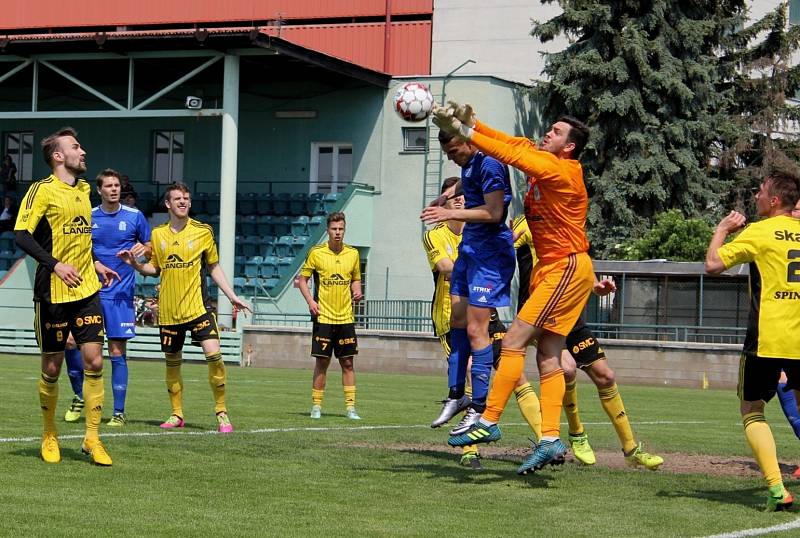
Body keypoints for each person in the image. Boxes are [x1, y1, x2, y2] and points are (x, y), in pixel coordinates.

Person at [437, 104, 595, 476]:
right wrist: (471, 123)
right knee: (548, 357)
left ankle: (489, 418)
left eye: (556, 132)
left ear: (569, 147)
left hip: (566, 267)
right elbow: (508, 142)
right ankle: (549, 439)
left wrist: (463, 130)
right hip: (556, 268)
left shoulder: (560, 168)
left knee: (512, 342)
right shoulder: (545, 157)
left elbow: (507, 154)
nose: (548, 133)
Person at [512, 214, 663, 470]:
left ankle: (631, 449)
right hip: (540, 313)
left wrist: (596, 286)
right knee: (567, 369)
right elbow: (503, 248)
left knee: (606, 376)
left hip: (570, 312)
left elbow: (577, 262)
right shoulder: (524, 222)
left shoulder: (568, 219)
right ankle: (577, 433)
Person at [14, 127, 117, 465]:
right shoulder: (41, 191)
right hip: (52, 291)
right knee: (53, 366)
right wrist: (56, 265)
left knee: (95, 360)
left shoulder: (86, 189)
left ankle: (92, 437)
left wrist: (96, 264)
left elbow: (81, 241)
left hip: (86, 288)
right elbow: (21, 236)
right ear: (58, 156)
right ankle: (49, 432)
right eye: (76, 147)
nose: (82, 151)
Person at [424, 179, 541, 470]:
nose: (461, 203)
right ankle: (469, 450)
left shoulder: (479, 230)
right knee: (467, 374)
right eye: (455, 200)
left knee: (514, 375)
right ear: (446, 205)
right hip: (453, 316)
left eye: (464, 198)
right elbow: (445, 267)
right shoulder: (435, 235)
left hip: (486, 313)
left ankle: (545, 440)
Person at [117, 181, 250, 433]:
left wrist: (231, 296)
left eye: (186, 198)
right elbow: (154, 269)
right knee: (172, 362)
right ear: (168, 203)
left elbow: (213, 267)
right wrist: (134, 264)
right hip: (169, 312)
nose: (183, 202)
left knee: (215, 357)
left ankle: (221, 411)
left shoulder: (203, 231)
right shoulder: (158, 235)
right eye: (177, 198)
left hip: (199, 308)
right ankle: (176, 414)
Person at [705, 171, 800, 512]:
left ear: (774, 200)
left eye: (760, 191)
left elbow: (713, 265)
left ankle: (777, 489)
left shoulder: (759, 232)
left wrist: (721, 230)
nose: (756, 195)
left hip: (767, 338)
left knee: (752, 409)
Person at [420, 129, 516, 441]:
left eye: (454, 152)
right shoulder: (471, 162)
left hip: (489, 255)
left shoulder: (490, 164)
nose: (452, 158)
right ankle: (456, 394)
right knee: (456, 320)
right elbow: (466, 180)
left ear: (468, 142)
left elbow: (494, 211)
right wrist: (448, 194)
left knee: (477, 330)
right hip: (470, 249)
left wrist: (449, 211)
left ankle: (479, 406)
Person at [297, 211, 364, 420]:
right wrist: (311, 302)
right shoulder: (316, 253)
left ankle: (351, 408)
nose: (337, 233)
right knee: (322, 362)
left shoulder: (353, 254)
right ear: (327, 231)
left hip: (345, 318)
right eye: (334, 229)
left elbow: (355, 279)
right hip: (324, 318)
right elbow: (302, 280)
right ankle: (316, 406)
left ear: (345, 230)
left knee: (348, 363)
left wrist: (357, 290)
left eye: (341, 229)